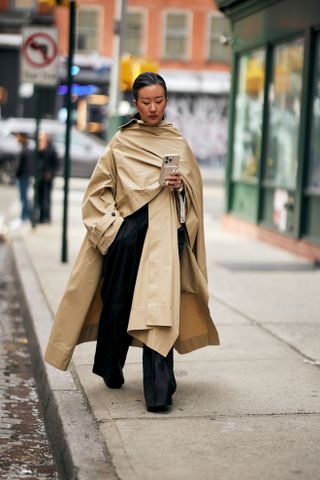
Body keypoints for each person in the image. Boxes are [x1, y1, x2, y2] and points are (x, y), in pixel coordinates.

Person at [44, 72, 219, 412]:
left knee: (159, 310)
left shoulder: (178, 143)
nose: (153, 108)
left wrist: (180, 187)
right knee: (118, 305)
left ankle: (159, 391)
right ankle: (110, 366)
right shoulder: (120, 143)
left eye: (158, 101)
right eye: (146, 102)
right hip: (125, 238)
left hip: (164, 238)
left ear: (166, 101)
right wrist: (115, 231)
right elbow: (96, 192)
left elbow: (195, 197)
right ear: (135, 104)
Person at [37, 131, 60, 223]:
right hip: (40, 177)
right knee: (39, 198)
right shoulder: (39, 149)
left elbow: (56, 164)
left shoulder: (52, 149)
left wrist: (50, 173)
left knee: (46, 198)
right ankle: (41, 217)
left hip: (48, 178)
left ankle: (46, 217)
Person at [15, 132, 33, 222]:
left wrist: (17, 174)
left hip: (23, 176)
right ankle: (26, 214)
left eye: (18, 136)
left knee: (24, 196)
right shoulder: (25, 149)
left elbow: (22, 166)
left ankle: (25, 215)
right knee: (24, 196)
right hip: (24, 175)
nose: (16, 138)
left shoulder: (25, 150)